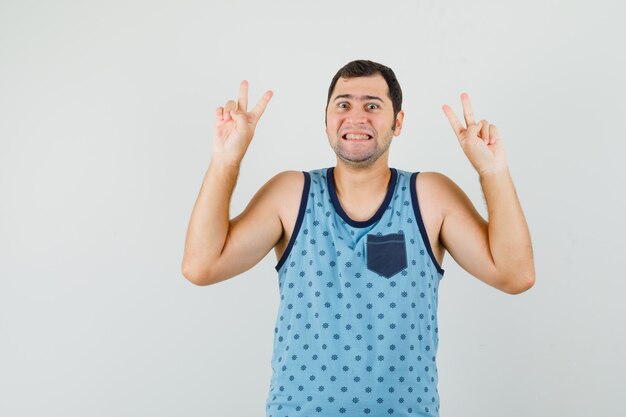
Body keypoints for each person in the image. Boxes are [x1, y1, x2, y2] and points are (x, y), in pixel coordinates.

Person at [181, 60, 535, 417]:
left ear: (398, 123)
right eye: (343, 104)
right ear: (326, 121)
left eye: (372, 105)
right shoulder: (290, 194)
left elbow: (515, 275)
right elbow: (201, 266)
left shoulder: (430, 197)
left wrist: (492, 170)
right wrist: (226, 160)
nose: (356, 117)